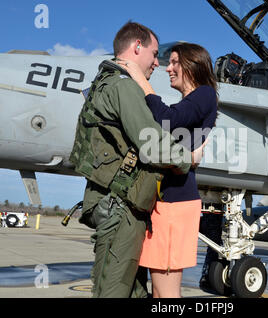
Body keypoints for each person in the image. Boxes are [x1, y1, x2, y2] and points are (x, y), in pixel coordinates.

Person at [69, 22, 204, 298]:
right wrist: (187, 158)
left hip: (114, 202)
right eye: (154, 54)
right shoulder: (124, 87)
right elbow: (151, 144)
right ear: (137, 47)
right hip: (120, 207)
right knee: (115, 291)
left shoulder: (102, 83)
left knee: (136, 291)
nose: (157, 62)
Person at [117, 42, 218, 298]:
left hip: (176, 204)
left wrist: (140, 79)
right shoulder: (189, 101)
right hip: (164, 203)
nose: (168, 68)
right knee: (160, 294)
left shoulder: (204, 94)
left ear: (192, 65)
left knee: (167, 295)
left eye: (174, 62)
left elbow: (168, 121)